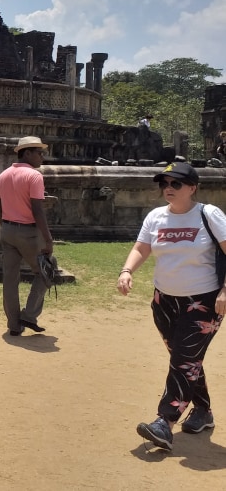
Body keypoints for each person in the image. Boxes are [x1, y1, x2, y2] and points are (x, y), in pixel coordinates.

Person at [118, 162, 226, 450]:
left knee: (183, 360)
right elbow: (142, 247)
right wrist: (126, 271)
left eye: (176, 183)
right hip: (164, 300)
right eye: (164, 183)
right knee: (186, 359)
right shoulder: (156, 217)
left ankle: (164, 422)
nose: (168, 188)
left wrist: (225, 290)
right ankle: (203, 411)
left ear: (192, 187)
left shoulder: (208, 214)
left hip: (204, 302)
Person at [0, 136, 53, 336]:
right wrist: (48, 239)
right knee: (46, 270)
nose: (42, 157)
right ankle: (29, 315)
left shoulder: (3, 175)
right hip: (28, 232)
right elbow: (38, 209)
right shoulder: (34, 176)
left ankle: (13, 324)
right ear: (27, 153)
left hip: (8, 230)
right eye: (39, 153)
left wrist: (6, 225)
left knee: (10, 278)